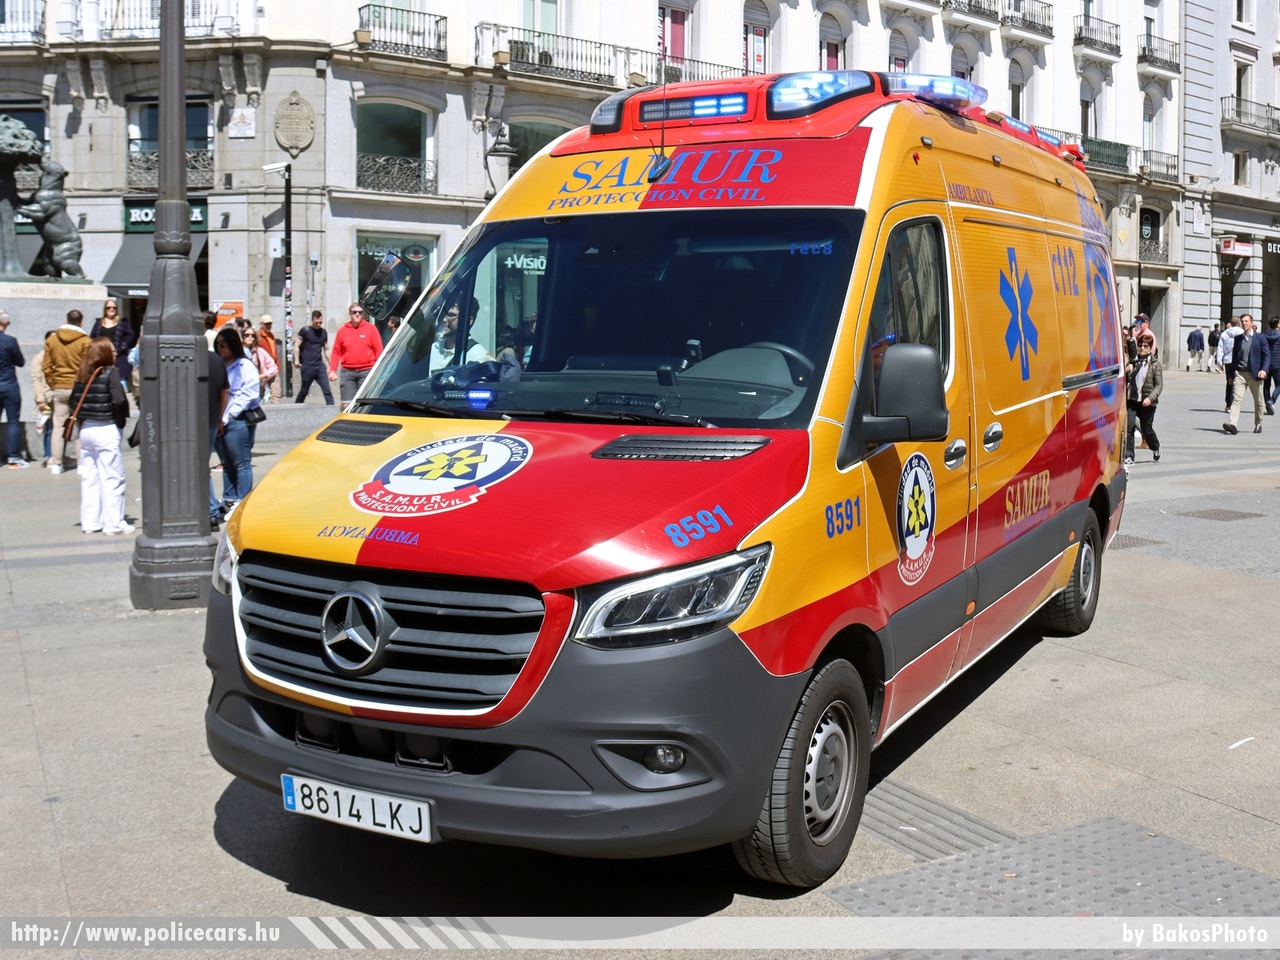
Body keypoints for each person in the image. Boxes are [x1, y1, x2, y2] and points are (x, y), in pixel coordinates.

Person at [69, 337, 132, 535]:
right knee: (113, 477)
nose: (114, 354)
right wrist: (120, 421)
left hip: (86, 429)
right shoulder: (110, 372)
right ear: (104, 353)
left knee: (90, 477)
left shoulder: (82, 373)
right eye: (111, 350)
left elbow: (73, 401)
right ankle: (114, 523)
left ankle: (90, 522)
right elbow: (119, 400)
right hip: (106, 427)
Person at [213, 328, 262, 510]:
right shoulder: (219, 364)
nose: (220, 348)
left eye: (223, 345)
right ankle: (229, 497)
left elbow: (249, 393)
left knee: (241, 462)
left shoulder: (245, 365)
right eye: (217, 345)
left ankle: (242, 500)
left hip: (237, 420)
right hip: (220, 420)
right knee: (227, 463)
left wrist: (231, 414)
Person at [43, 308, 91, 474]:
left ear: (66, 320)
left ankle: (56, 463)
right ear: (81, 322)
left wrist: (54, 383)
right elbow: (88, 366)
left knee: (58, 426)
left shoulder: (52, 339)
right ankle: (81, 464)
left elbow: (46, 366)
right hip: (78, 386)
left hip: (60, 386)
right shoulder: (85, 341)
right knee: (79, 424)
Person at [328, 302, 383, 404]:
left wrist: (379, 370)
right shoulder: (342, 331)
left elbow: (378, 350)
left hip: (367, 371)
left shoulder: (371, 329)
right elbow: (336, 352)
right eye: (354, 312)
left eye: (360, 312)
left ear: (363, 314)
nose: (357, 314)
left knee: (364, 404)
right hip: (347, 372)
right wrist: (332, 370)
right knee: (346, 404)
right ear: (350, 313)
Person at [1224, 313, 1270, 435]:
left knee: (1258, 401)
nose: (1244, 323)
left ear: (1251, 322)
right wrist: (1231, 375)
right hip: (1240, 373)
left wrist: (1264, 370)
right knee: (1236, 399)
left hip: (1255, 374)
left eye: (1246, 321)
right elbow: (1235, 358)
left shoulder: (1260, 338)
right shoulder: (1238, 339)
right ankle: (1232, 424)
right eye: (1242, 321)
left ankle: (1258, 423)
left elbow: (1267, 355)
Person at [1124, 333, 1162, 464]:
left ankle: (1155, 446)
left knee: (1147, 429)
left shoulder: (1155, 364)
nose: (1142, 348)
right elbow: (1123, 378)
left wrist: (1150, 399)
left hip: (1147, 402)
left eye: (1145, 346)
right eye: (1140, 345)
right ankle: (1129, 456)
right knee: (1129, 427)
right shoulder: (1132, 362)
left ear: (1150, 348)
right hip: (1132, 399)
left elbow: (1159, 385)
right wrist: (1127, 370)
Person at [428, 297, 491, 374]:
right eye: (443, 314)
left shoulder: (479, 357)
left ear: (468, 321)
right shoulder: (432, 349)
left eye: (451, 315)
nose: (444, 320)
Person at [207, 342, 229, 528]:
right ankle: (212, 509)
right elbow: (225, 391)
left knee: (197, 467)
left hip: (195, 423)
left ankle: (212, 510)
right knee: (200, 466)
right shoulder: (216, 360)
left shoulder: (196, 359)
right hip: (212, 420)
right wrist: (220, 417)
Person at [0, 311, 27, 468]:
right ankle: (13, 457)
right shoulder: (10, 341)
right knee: (13, 421)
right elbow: (21, 362)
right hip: (9, 385)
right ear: (6, 323)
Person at [89, 298, 136, 384]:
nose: (111, 309)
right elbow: (92, 338)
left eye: (114, 308)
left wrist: (123, 346)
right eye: (109, 307)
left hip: (119, 358)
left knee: (120, 383)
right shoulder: (99, 323)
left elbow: (130, 336)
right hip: (101, 358)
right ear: (105, 309)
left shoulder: (123, 322)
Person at [294, 310, 333, 405]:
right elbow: (296, 346)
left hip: (319, 366)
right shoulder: (305, 331)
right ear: (312, 320)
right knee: (304, 391)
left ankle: (331, 410)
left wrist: (332, 365)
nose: (318, 324)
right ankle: (296, 408)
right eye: (316, 322)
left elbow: (326, 349)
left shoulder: (323, 333)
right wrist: (296, 360)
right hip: (308, 366)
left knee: (327, 391)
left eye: (320, 322)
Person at [30, 329, 55, 466]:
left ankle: (57, 455)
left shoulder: (58, 355)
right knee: (49, 428)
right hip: (45, 398)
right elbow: (36, 379)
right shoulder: (39, 357)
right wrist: (40, 399)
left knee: (58, 428)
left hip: (56, 395)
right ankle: (49, 455)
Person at [241, 328, 278, 401]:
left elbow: (273, 367)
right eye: (247, 335)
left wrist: (263, 375)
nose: (250, 337)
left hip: (256, 385)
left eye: (253, 335)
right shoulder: (240, 351)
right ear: (242, 337)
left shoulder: (259, 351)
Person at [1217, 316, 1241, 411]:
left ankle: (1228, 404)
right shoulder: (1242, 333)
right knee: (1239, 382)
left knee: (1229, 382)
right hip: (1239, 361)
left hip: (1228, 360)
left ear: (1231, 323)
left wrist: (1220, 362)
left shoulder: (1225, 333)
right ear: (1239, 323)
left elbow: (1220, 348)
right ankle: (1236, 403)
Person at [257, 314, 282, 403]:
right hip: (262, 369)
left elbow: (274, 351)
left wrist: (277, 364)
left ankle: (277, 413)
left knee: (276, 394)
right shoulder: (257, 336)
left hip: (273, 367)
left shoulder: (271, 335)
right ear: (261, 324)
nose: (268, 326)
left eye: (270, 324)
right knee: (261, 393)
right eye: (266, 324)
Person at [1265, 317, 1280, 415]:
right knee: (1279, 384)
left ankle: (1267, 403)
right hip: (1278, 364)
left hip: (1265, 364)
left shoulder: (1264, 335)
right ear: (1278, 324)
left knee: (1266, 386)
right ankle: (1272, 400)